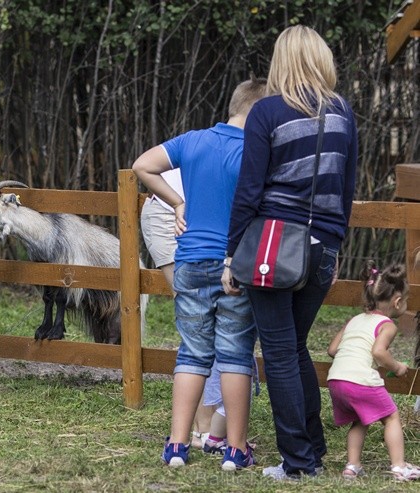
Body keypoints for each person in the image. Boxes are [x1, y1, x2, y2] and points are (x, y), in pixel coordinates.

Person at [222, 26, 358, 479]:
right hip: (321, 248)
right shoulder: (343, 113)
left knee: (279, 352)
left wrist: (231, 254)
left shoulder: (267, 112)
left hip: (273, 247)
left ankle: (298, 463)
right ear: (321, 59)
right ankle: (312, 450)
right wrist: (335, 247)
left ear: (282, 60)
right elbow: (346, 190)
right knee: (295, 347)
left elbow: (250, 190)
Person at [133, 77, 267, 471]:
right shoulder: (256, 152)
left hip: (190, 261)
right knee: (235, 355)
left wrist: (177, 202)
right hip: (233, 264)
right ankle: (235, 449)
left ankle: (177, 446)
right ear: (259, 113)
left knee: (192, 352)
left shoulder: (193, 140)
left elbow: (143, 165)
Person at [140, 171, 228, 454]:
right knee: (199, 322)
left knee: (210, 321)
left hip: (199, 216)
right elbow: (144, 165)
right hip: (169, 215)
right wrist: (177, 203)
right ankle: (203, 429)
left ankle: (209, 427)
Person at [327, 261, 420, 481]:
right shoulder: (387, 325)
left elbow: (332, 350)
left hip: (336, 381)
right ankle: (399, 466)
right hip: (360, 382)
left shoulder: (354, 320)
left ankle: (352, 466)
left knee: (361, 419)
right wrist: (397, 366)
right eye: (405, 300)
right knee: (391, 417)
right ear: (397, 302)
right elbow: (379, 352)